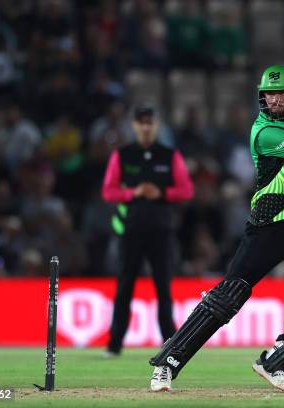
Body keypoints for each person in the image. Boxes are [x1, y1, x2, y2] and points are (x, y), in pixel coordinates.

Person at [149, 64, 284, 392]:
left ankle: (275, 361)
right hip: (268, 227)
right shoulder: (267, 133)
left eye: (281, 94)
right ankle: (167, 362)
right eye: (269, 94)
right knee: (228, 298)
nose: (276, 100)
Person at [102, 107, 194, 356]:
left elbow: (186, 190)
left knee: (163, 288)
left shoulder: (169, 155)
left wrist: (162, 193)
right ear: (133, 125)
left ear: (156, 125)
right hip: (130, 230)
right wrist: (133, 193)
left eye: (149, 123)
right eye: (141, 123)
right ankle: (114, 345)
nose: (145, 127)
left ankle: (171, 344)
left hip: (161, 230)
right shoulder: (122, 155)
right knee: (124, 287)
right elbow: (108, 191)